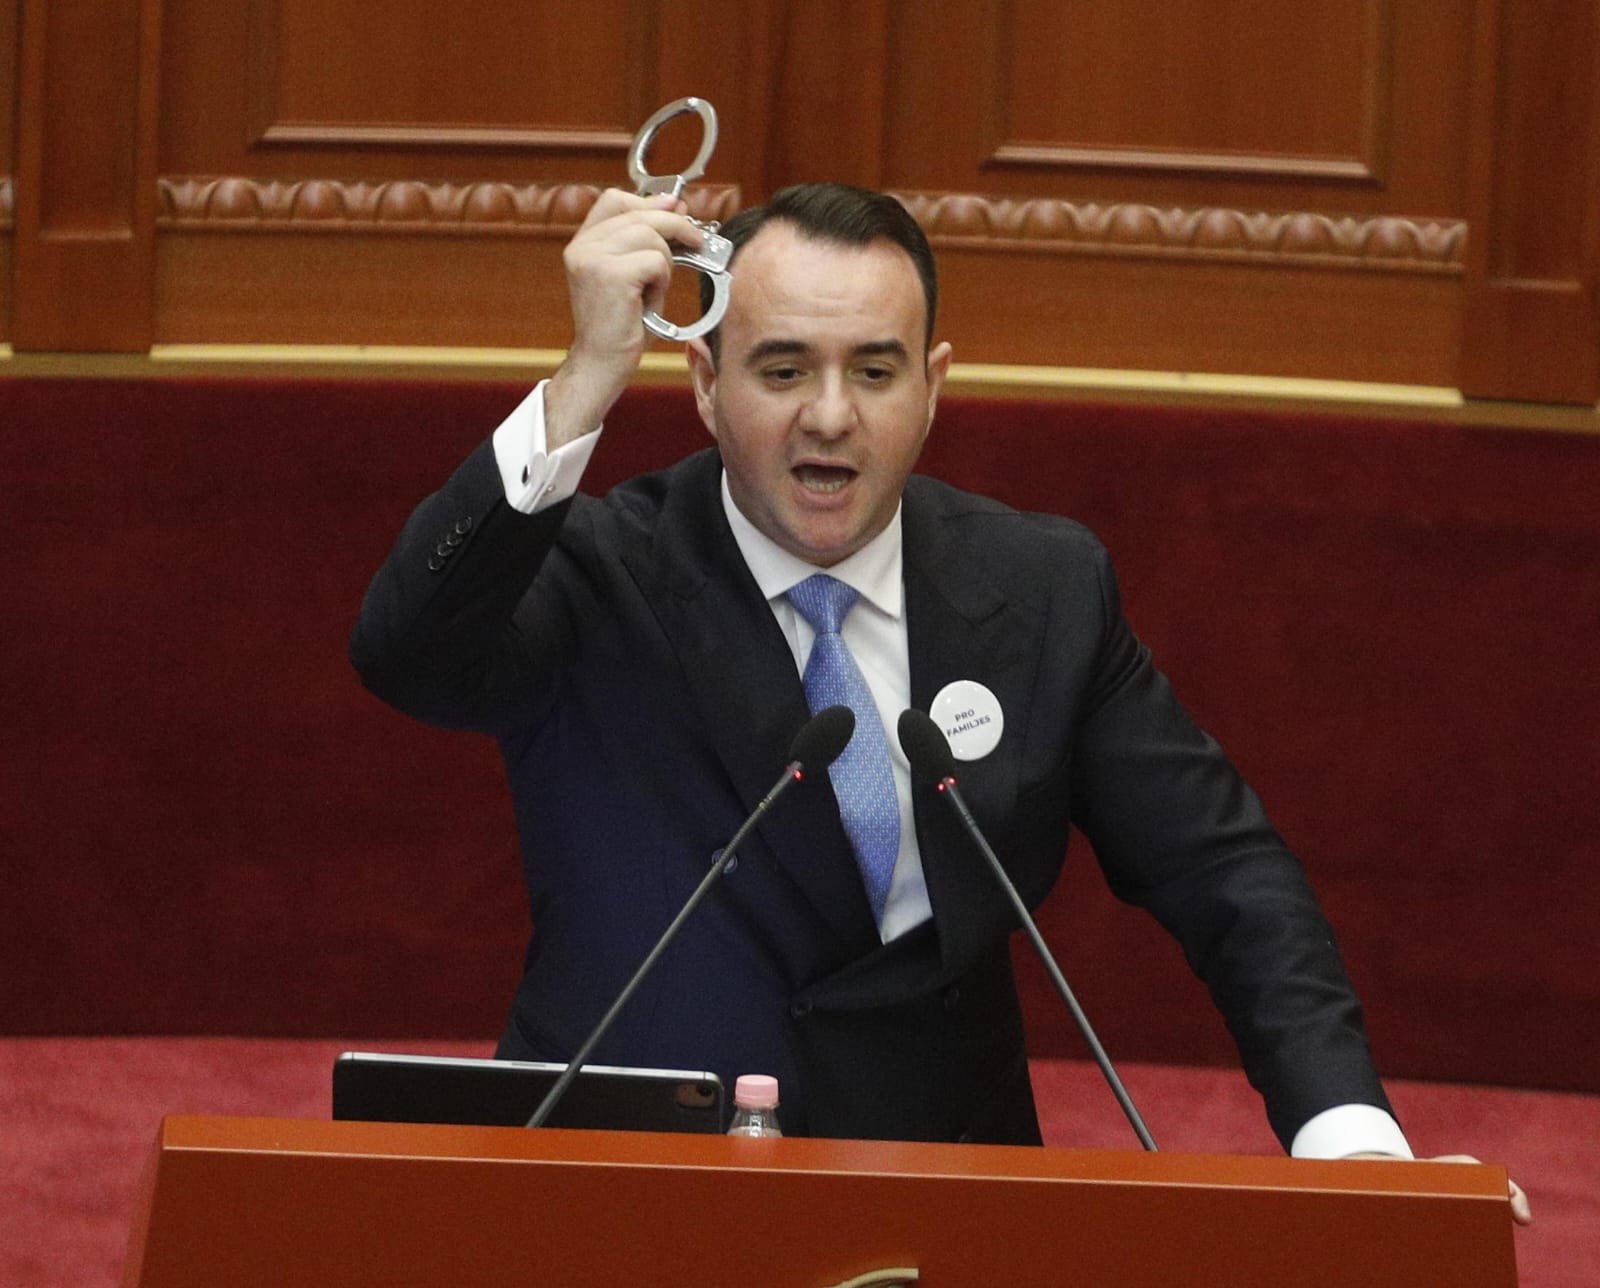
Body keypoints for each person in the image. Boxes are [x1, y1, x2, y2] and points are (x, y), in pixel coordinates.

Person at [351, 182, 1527, 1219]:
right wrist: (584, 379)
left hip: (939, 1194)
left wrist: (1346, 1135)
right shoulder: (598, 570)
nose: (829, 415)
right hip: (630, 1190)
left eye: (874, 371)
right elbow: (408, 655)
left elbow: (1224, 873)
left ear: (932, 387)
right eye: (781, 369)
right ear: (703, 383)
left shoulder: (1041, 588)